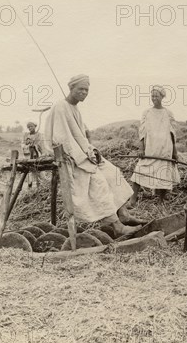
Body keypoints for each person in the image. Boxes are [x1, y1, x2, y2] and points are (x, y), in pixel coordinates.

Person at [43, 74, 146, 235]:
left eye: (86, 90)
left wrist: (92, 151)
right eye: (81, 89)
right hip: (69, 157)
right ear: (71, 88)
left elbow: (80, 137)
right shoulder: (60, 107)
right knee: (98, 182)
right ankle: (116, 225)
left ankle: (123, 213)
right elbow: (62, 139)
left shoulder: (75, 109)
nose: (84, 92)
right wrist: (83, 156)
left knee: (112, 172)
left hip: (82, 154)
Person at [130, 85, 180, 205]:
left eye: (156, 96)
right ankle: (133, 199)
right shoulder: (146, 113)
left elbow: (172, 134)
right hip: (151, 148)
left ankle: (161, 200)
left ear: (162, 97)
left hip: (165, 149)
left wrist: (175, 152)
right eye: (152, 96)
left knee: (164, 173)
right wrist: (141, 148)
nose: (154, 98)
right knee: (140, 170)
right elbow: (142, 132)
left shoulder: (168, 113)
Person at [21, 121, 44, 187]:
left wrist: (35, 146)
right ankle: (30, 183)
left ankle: (39, 183)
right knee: (29, 169)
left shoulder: (38, 134)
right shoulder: (26, 135)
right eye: (29, 127)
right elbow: (23, 144)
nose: (30, 128)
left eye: (31, 126)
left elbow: (40, 144)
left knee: (37, 168)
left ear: (35, 126)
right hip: (28, 154)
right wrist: (27, 145)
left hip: (36, 154)